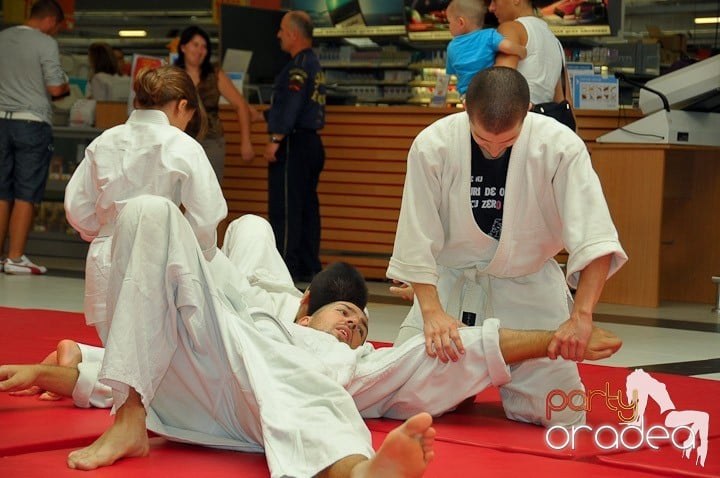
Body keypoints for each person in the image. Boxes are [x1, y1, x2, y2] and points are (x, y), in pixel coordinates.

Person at [0, 194, 622, 475]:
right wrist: (59, 370)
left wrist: (553, 337)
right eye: (343, 314)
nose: (353, 321)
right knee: (158, 214)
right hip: (206, 376)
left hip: (265, 408)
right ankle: (129, 419)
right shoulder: (264, 313)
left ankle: (357, 473)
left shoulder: (355, 364)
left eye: (361, 321)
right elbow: (147, 343)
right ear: (305, 309)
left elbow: (464, 352)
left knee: (310, 382)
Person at [386, 67, 628, 427]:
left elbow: (596, 238)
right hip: (453, 287)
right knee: (399, 402)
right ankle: (460, 384)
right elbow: (416, 233)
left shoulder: (561, 146)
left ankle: (469, 381)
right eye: (484, 141)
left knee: (562, 414)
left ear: (528, 109)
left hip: (528, 287)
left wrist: (581, 316)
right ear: (465, 109)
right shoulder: (432, 145)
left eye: (507, 141)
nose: (495, 149)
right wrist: (432, 310)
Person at [65, 65, 226, 344]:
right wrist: (194, 253)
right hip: (158, 256)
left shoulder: (105, 140)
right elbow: (207, 214)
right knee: (154, 360)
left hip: (105, 256)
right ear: (182, 105)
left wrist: (103, 231)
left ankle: (88, 372)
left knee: (116, 354)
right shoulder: (182, 144)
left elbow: (76, 206)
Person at [0, 0, 69, 275]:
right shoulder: (45, 42)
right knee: (26, 193)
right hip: (32, 123)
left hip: (0, 121)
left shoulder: (2, 38)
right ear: (51, 20)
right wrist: (64, 84)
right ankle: (15, 258)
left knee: (1, 192)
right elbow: (55, 87)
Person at [263, 11, 326, 283]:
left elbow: (293, 104)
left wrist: (275, 138)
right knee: (306, 207)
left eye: (281, 29)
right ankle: (308, 264)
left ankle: (284, 269)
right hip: (310, 143)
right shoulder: (313, 61)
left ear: (293, 33)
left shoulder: (298, 65)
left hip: (294, 143)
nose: (277, 35)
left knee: (286, 208)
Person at [174, 25, 256, 182]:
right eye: (195, 45)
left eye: (204, 46)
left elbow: (240, 105)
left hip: (211, 140)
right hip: (181, 141)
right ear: (183, 47)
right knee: (178, 191)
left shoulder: (215, 74)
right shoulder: (173, 75)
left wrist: (246, 141)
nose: (200, 50)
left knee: (209, 191)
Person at [490, 0, 573, 110]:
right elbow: (566, 104)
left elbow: (500, 90)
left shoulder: (511, 29)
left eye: (495, 1)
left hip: (516, 123)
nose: (491, 8)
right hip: (545, 125)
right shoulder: (554, 41)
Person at [445, 0, 527, 96]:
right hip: (488, 90)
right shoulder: (489, 35)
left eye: (449, 22)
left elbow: (451, 72)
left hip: (467, 94)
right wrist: (522, 51)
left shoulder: (452, 46)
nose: (448, 26)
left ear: (461, 22)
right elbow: (507, 46)